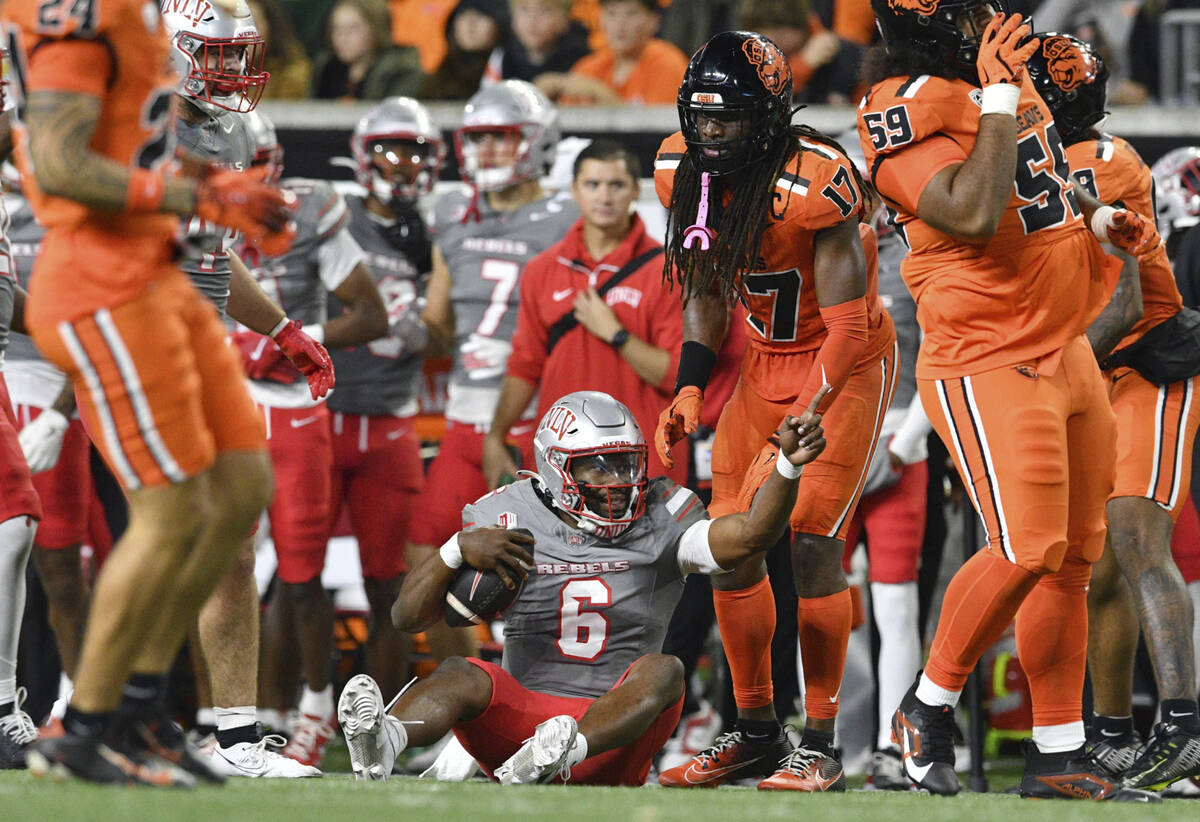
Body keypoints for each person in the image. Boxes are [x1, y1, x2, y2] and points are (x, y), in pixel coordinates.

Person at [859, 0, 1158, 800]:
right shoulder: (898, 101)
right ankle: (924, 710)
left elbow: (1039, 184)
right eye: (967, 8)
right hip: (986, 353)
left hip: (1061, 345)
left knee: (1071, 560)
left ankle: (1058, 751)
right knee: (1025, 547)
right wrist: (995, 95)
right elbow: (970, 209)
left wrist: (1096, 223)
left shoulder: (994, 75)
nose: (988, 16)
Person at [3, 0, 294, 786]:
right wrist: (195, 197)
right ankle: (93, 725)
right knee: (175, 511)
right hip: (102, 276)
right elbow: (61, 164)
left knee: (240, 491)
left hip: (159, 270)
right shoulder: (78, 15)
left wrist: (284, 325)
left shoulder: (143, 21)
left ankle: (137, 710)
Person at [338, 388, 829, 784]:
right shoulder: (507, 517)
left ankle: (560, 752)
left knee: (664, 670)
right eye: (599, 465)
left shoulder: (663, 515)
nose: (620, 480)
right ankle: (385, 740)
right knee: (461, 671)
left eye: (627, 463)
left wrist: (788, 466)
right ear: (555, 467)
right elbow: (406, 618)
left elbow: (749, 538)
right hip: (518, 727)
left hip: (609, 737)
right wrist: (456, 548)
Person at [653, 31, 897, 791]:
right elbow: (703, 289)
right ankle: (757, 729)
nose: (710, 131)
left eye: (727, 118)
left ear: (767, 116)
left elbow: (852, 325)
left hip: (843, 366)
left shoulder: (813, 179)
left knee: (813, 545)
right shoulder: (681, 169)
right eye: (701, 115)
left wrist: (807, 417)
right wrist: (692, 384)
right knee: (729, 548)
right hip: (762, 365)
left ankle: (820, 742)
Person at [159, 0, 334, 780]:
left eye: (238, 56)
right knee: (139, 538)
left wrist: (284, 329)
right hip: (126, 340)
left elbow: (209, 262)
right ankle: (95, 712)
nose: (231, 73)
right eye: (213, 55)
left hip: (196, 351)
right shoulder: (128, 123)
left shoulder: (229, 131)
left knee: (232, 542)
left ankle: (232, 739)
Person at [1026, 33, 1200, 791]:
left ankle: (1185, 730)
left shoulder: (1103, 164)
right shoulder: (1031, 165)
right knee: (1088, 567)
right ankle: (1114, 737)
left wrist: (1041, 377)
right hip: (1089, 373)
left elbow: (1126, 300)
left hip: (1145, 365)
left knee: (1135, 536)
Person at [232, 108, 390, 770]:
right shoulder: (184, 212)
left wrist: (300, 340)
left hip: (293, 408)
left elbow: (370, 313)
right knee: (217, 569)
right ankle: (233, 720)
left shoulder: (310, 214)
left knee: (301, 576)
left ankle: (316, 708)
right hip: (224, 401)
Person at [406, 79, 577, 661]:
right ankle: (476, 681)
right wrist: (392, 324)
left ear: (536, 142)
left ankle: (537, 690)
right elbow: (438, 320)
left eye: (503, 138)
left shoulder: (567, 216)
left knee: (549, 567)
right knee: (425, 553)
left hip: (536, 419)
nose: (489, 152)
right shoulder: (453, 213)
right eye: (479, 139)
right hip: (464, 417)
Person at [482, 138, 685, 491]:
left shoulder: (668, 271)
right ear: (574, 190)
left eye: (616, 185)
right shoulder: (542, 269)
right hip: (563, 463)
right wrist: (496, 434)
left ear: (636, 190)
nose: (604, 197)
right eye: (592, 185)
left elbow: (677, 378)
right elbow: (525, 365)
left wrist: (616, 334)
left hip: (642, 464)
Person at [540, 0, 688, 105]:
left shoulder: (667, 63)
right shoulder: (589, 66)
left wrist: (599, 93)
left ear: (654, 21)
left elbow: (658, 131)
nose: (620, 24)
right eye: (611, 13)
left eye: (631, 13)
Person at [738, 0, 866, 104]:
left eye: (772, 37)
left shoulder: (845, 57)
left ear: (790, 32)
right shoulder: (745, 51)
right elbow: (753, 96)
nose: (760, 46)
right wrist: (803, 64)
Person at [311, 0, 424, 100]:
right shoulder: (326, 69)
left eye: (352, 28)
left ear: (376, 28)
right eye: (336, 29)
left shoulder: (400, 71)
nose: (342, 38)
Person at [418, 0, 511, 100]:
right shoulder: (435, 80)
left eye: (481, 15)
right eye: (463, 14)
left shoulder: (511, 72)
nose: (470, 24)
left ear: (500, 24)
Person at [489, 0, 591, 86]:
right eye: (525, 9)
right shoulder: (504, 56)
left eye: (545, 11)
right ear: (512, 18)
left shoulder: (582, 59)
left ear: (564, 20)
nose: (533, 20)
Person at [247, 0, 312, 99]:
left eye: (252, 25)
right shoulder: (217, 69)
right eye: (236, 24)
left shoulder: (292, 72)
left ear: (271, 28)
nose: (243, 34)